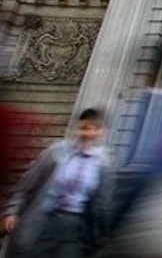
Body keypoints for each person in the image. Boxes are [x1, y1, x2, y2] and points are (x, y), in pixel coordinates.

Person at [2, 107, 115, 258]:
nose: (89, 134)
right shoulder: (56, 152)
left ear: (102, 132)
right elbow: (26, 184)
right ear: (77, 127)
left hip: (76, 229)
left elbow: (103, 203)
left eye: (95, 129)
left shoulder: (103, 163)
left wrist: (102, 233)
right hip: (45, 220)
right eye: (85, 128)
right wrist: (12, 211)